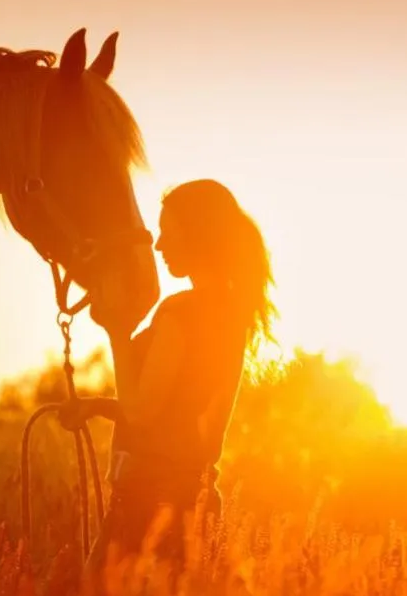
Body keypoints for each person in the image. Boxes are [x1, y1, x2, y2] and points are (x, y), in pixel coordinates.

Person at [87, 178, 276, 570]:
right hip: (196, 500)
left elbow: (141, 413)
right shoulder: (231, 314)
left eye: (167, 234)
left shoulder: (180, 313)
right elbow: (182, 411)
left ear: (197, 237)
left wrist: (118, 332)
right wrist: (97, 406)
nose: (158, 246)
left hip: (146, 507)